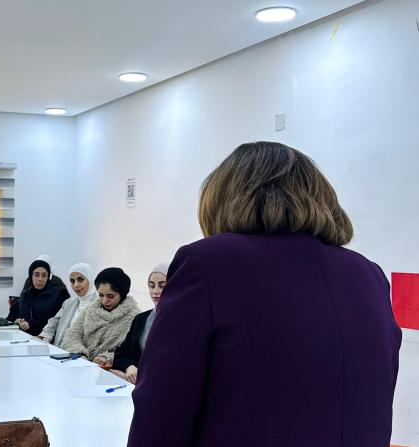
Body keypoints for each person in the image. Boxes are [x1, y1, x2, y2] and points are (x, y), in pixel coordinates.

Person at [128, 142, 402, 446]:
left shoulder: (208, 263)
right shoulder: (368, 274)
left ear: (222, 198)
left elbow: (164, 403)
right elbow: (380, 388)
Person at [60, 267, 140, 366]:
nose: (105, 301)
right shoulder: (91, 309)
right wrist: (80, 354)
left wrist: (107, 357)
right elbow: (72, 335)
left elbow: (130, 352)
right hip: (81, 365)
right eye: (101, 295)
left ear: (122, 294)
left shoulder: (135, 318)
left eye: (111, 296)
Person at [111, 263, 168, 383]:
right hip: (137, 386)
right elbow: (120, 355)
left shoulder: (185, 323)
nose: (155, 291)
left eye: (162, 286)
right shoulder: (141, 319)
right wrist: (129, 366)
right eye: (151, 286)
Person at [38, 263, 99, 347]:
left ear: (90, 279)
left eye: (80, 279)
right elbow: (53, 323)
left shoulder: (100, 304)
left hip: (84, 352)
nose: (76, 285)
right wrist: (45, 337)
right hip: (61, 350)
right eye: (72, 281)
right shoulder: (69, 303)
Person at [7, 259, 69, 335]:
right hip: (25, 337)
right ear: (31, 276)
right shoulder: (25, 294)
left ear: (48, 277)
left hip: (46, 338)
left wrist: (30, 324)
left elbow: (57, 321)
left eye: (44, 275)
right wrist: (16, 321)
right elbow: (11, 317)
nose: (40, 279)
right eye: (36, 275)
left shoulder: (59, 294)